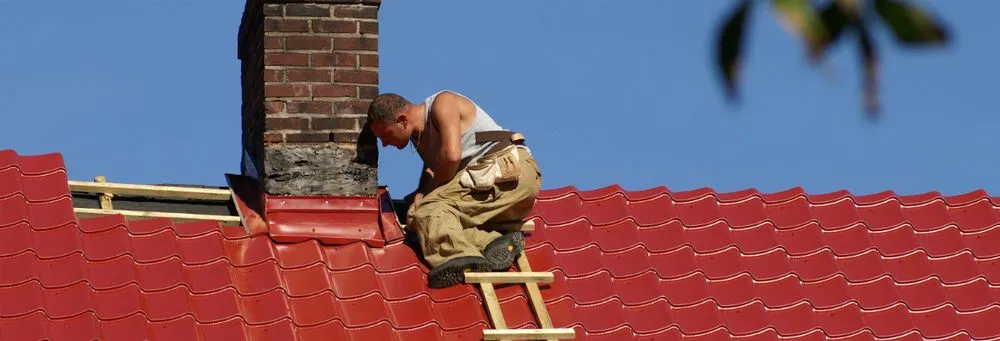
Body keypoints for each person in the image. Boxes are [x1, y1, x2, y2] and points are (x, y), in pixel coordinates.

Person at [366, 90, 542, 288]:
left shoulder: (442, 103)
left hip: (508, 171)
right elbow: (435, 168)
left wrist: (426, 199)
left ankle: (459, 258)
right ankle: (492, 243)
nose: (384, 144)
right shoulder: (419, 136)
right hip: (495, 190)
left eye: (385, 135)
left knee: (427, 213)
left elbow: (451, 157)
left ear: (402, 120)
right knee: (425, 223)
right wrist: (420, 192)